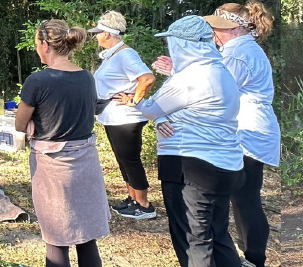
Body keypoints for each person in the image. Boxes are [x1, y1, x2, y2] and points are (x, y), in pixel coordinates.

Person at [151, 3, 278, 266]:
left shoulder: (237, 53)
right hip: (245, 130)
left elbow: (212, 87)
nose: (213, 33)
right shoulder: (240, 50)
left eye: (217, 27)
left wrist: (177, 75)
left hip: (245, 131)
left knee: (243, 201)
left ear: (232, 28)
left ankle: (254, 258)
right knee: (237, 203)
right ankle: (247, 257)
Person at [123, 15, 245, 267]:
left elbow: (151, 109)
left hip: (191, 169)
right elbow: (172, 107)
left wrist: (135, 101)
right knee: (218, 235)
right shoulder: (219, 70)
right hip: (225, 166)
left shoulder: (189, 78)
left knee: (193, 241)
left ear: (184, 45)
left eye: (172, 43)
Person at [14, 20, 108, 267]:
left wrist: (32, 120)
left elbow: (18, 123)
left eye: (36, 44)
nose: (36, 49)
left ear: (45, 45)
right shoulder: (87, 78)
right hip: (86, 161)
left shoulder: (38, 81)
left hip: (52, 165)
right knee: (87, 239)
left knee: (56, 239)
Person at [87, 11, 157, 219]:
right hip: (114, 117)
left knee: (131, 160)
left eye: (98, 33)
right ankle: (133, 198)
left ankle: (144, 205)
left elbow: (147, 78)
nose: (96, 36)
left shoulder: (126, 55)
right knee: (123, 160)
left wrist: (134, 100)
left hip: (126, 118)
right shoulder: (115, 55)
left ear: (107, 34)